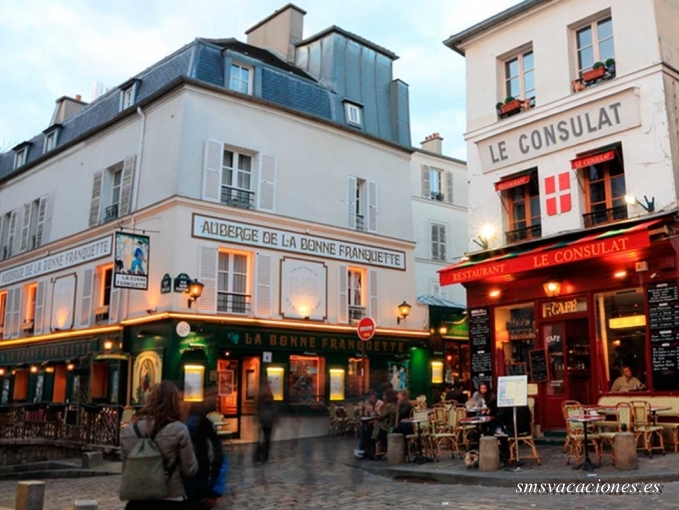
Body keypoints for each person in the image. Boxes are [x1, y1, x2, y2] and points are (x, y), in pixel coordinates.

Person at [120, 380, 198, 510]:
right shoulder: (179, 429)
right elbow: (190, 470)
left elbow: (126, 468)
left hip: (138, 500)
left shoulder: (129, 431)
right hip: (171, 498)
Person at [184, 390, 228, 510]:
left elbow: (217, 456)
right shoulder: (202, 424)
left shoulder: (194, 423)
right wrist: (214, 490)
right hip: (197, 484)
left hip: (190, 487)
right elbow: (218, 456)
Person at [354, 390, 384, 459]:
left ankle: (366, 450)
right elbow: (365, 414)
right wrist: (364, 410)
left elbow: (380, 414)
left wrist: (374, 412)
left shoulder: (380, 403)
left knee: (367, 430)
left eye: (371, 397)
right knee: (364, 430)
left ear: (375, 397)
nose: (370, 399)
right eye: (369, 397)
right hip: (370, 422)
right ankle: (363, 449)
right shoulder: (367, 403)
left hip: (377, 423)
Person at [369, 389, 398, 457]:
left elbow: (382, 416)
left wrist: (377, 414)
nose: (383, 397)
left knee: (371, 429)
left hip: (386, 427)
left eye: (384, 395)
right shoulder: (395, 404)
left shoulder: (388, 406)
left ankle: (371, 450)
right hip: (392, 425)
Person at [255, 380, 277, 463]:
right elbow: (273, 408)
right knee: (266, 438)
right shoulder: (269, 395)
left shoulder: (260, 394)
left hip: (262, 419)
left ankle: (258, 456)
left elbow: (257, 408)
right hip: (268, 420)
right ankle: (264, 456)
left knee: (260, 438)